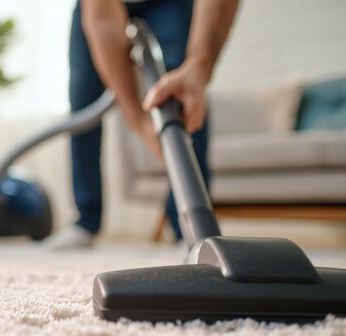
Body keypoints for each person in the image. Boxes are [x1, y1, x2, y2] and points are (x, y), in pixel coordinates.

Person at [44, 0, 240, 249]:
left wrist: (199, 69)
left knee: (183, 98)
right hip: (98, 7)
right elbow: (102, 18)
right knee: (83, 96)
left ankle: (190, 229)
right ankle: (86, 220)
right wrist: (139, 121)